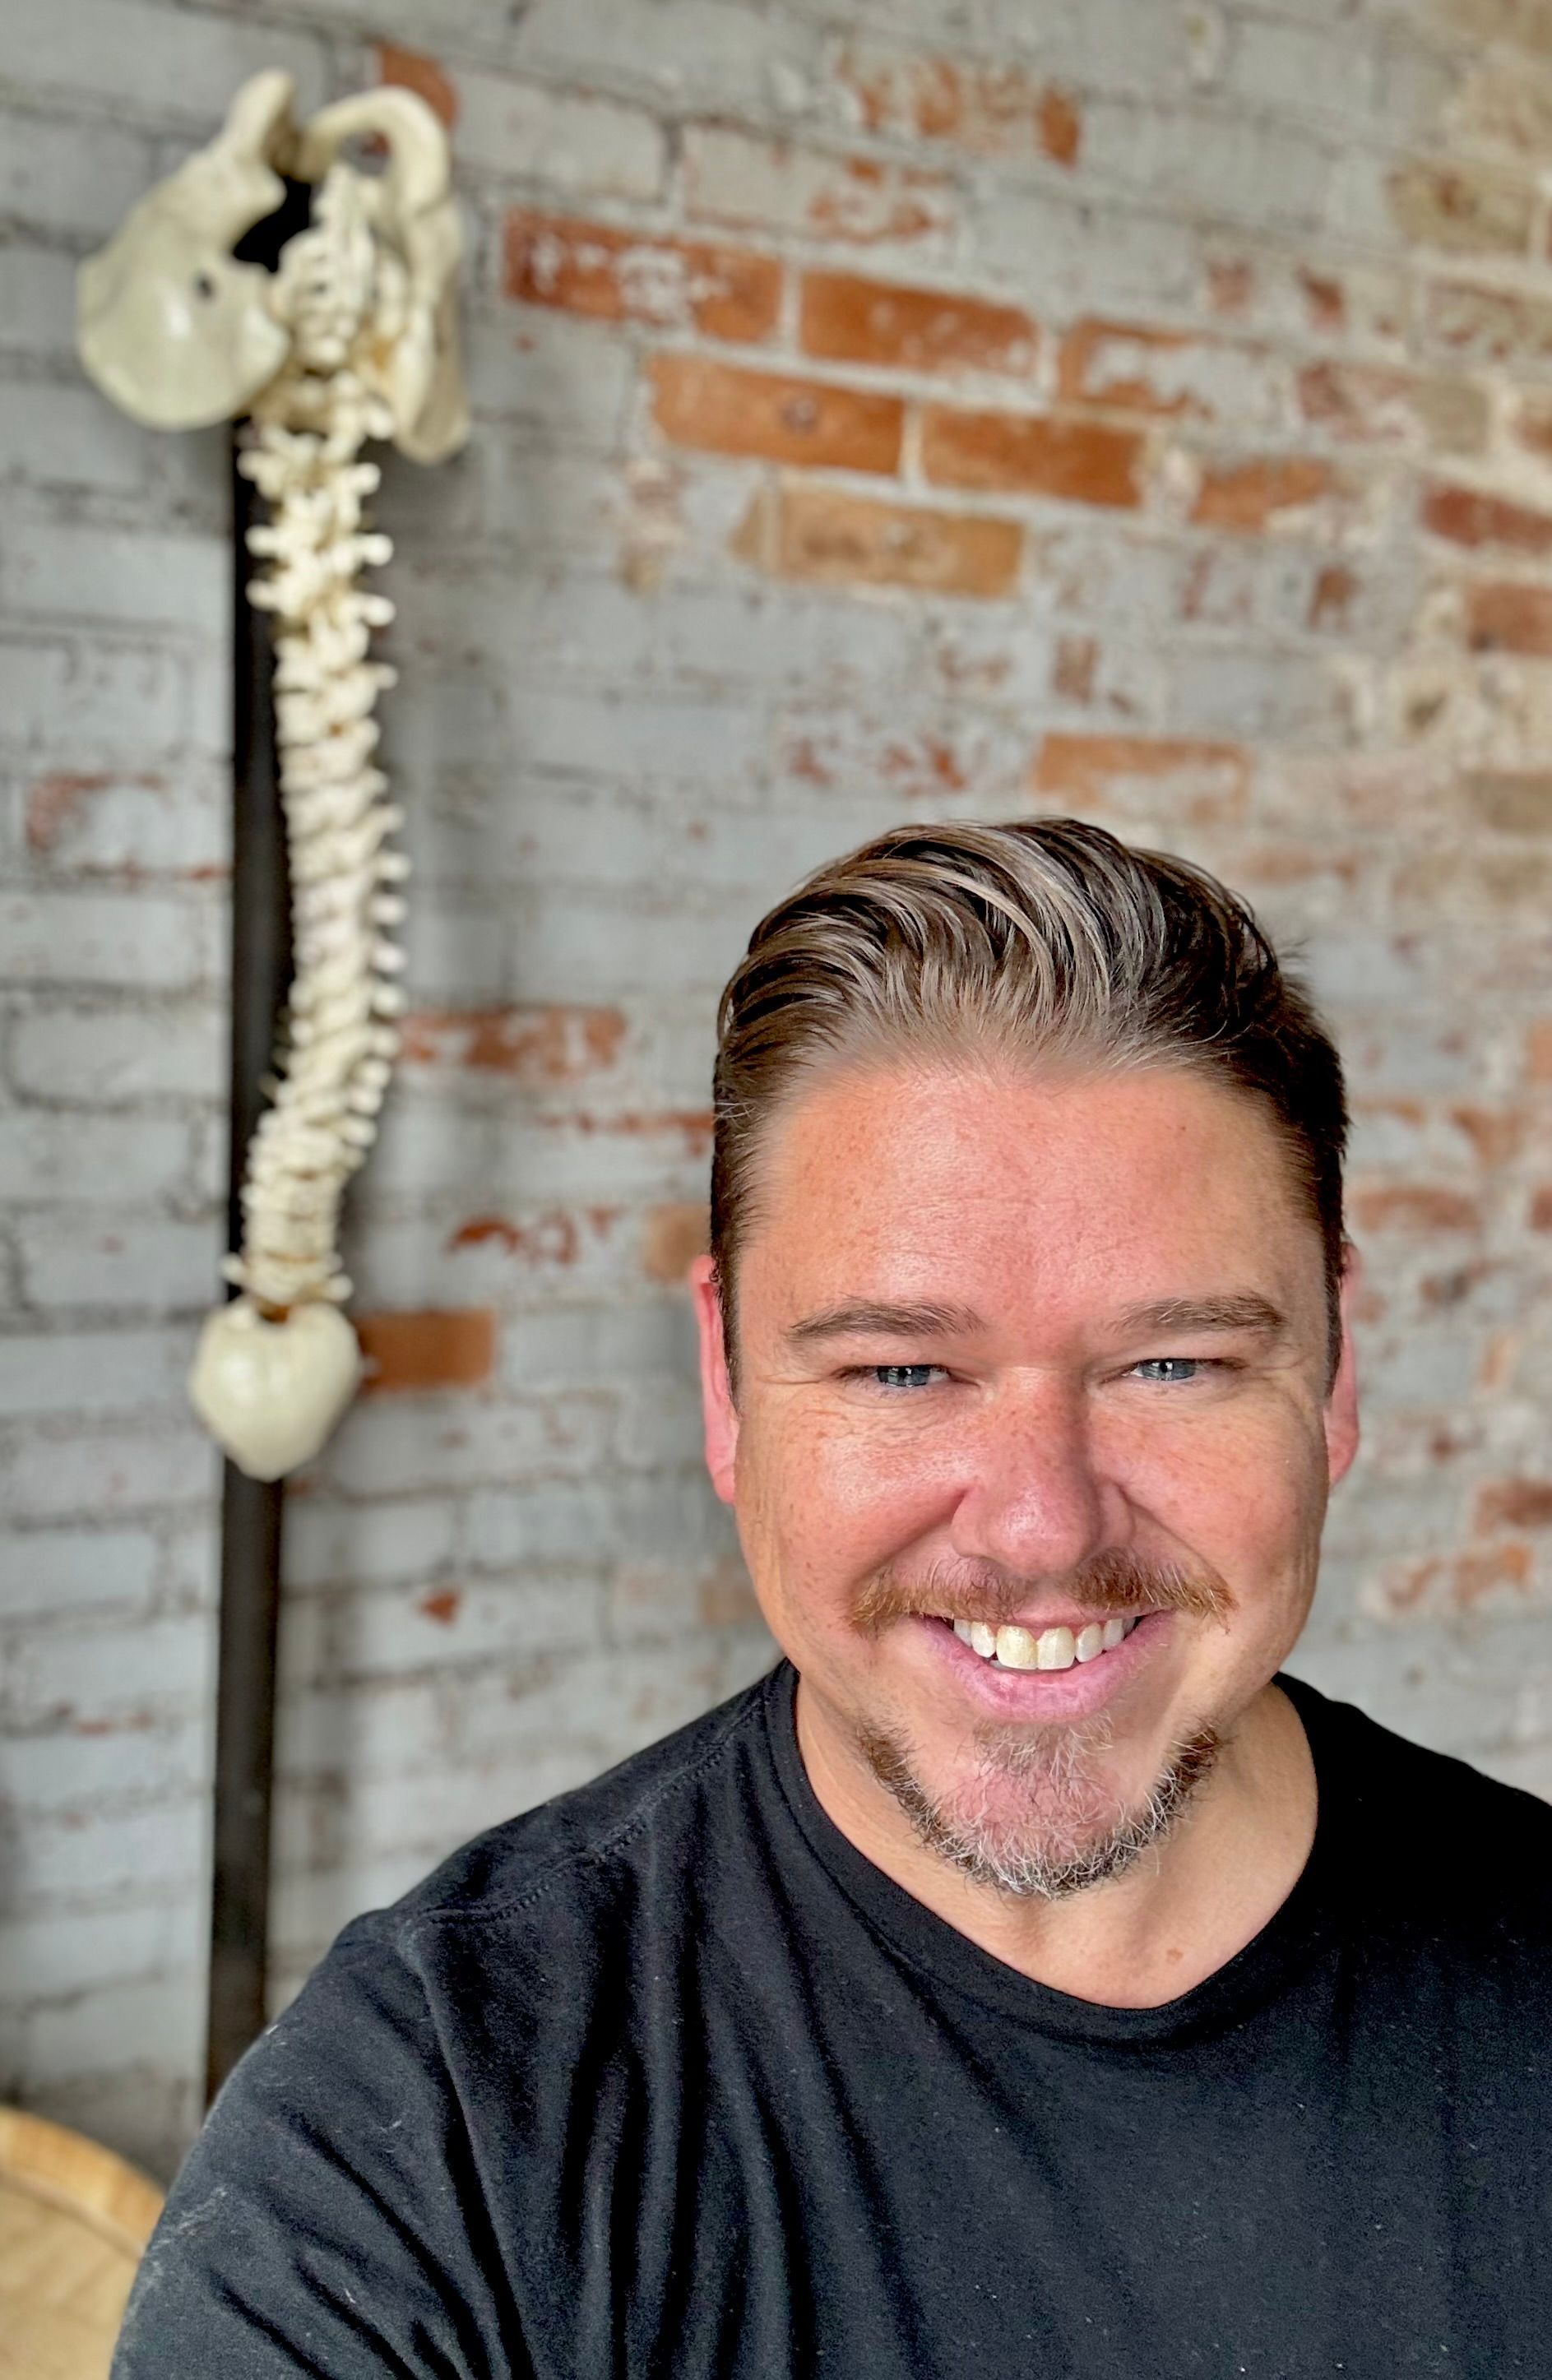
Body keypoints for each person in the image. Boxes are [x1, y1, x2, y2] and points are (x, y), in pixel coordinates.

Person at [114, 819, 1552, 2378]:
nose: (1041, 1522)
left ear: (1333, 1372)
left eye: (1174, 1363)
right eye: (902, 1369)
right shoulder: (432, 2128)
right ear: (726, 1387)